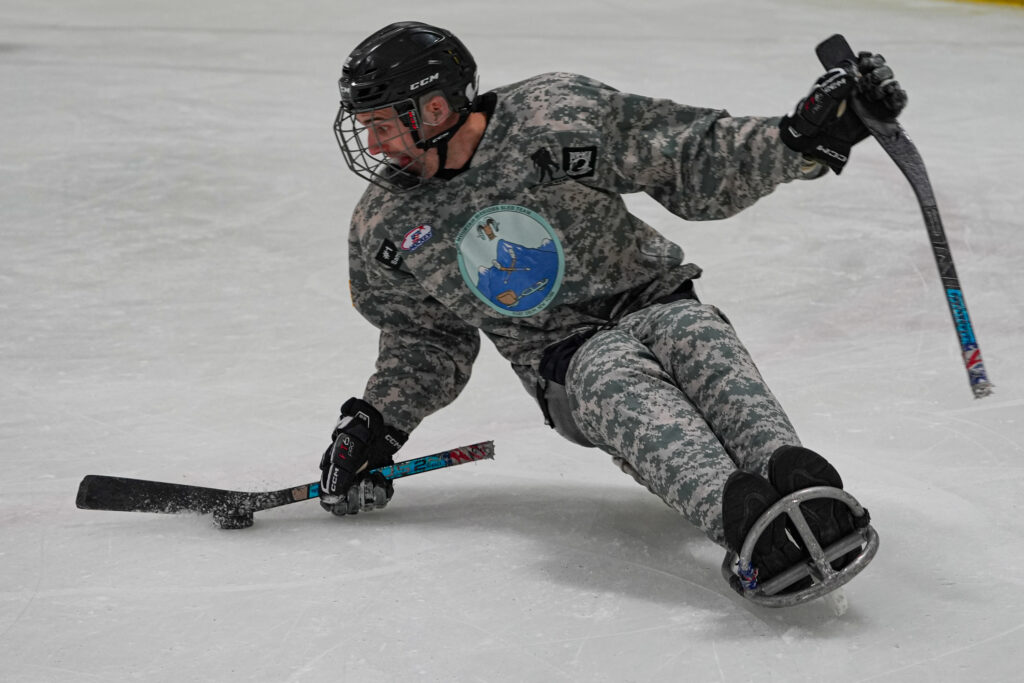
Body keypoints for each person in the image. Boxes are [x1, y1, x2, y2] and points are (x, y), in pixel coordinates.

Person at [318, 21, 905, 601]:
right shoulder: (386, 223)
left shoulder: (553, 114)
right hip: (564, 359)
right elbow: (425, 340)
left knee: (696, 333)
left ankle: (802, 488)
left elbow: (686, 154)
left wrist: (798, 138)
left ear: (435, 108)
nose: (373, 145)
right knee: (613, 371)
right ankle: (748, 527)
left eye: (381, 124)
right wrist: (377, 424)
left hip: (655, 300)